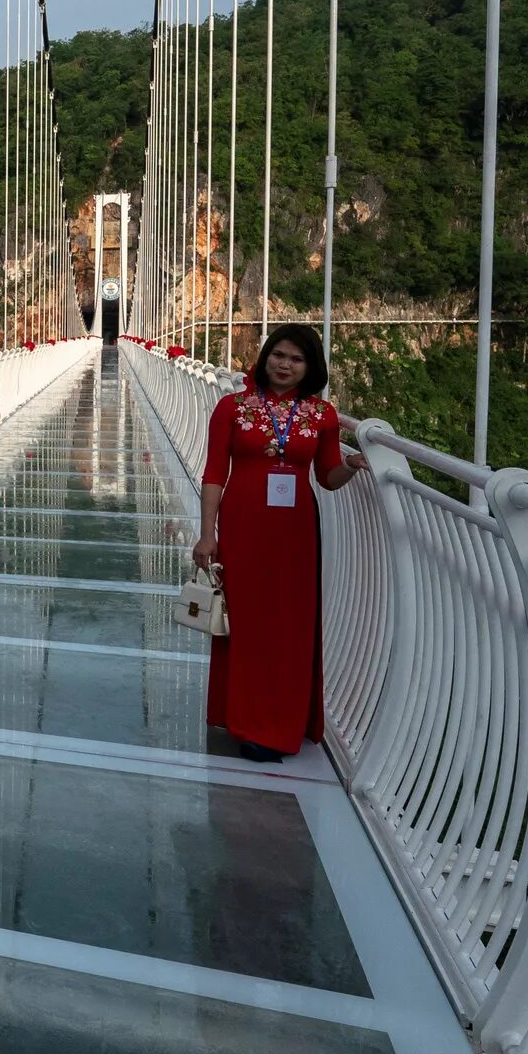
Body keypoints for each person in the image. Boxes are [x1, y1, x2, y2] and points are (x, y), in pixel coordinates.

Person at [190, 322, 355, 764]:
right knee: (246, 621)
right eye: (278, 355)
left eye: (296, 359)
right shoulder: (232, 406)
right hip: (242, 526)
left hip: (295, 533)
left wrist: (354, 466)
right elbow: (212, 474)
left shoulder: (323, 415)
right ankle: (247, 723)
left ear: (310, 367)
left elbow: (328, 477)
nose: (285, 365)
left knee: (289, 624)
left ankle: (282, 723)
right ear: (265, 358)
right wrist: (208, 533)